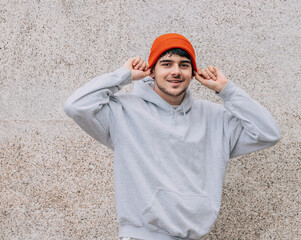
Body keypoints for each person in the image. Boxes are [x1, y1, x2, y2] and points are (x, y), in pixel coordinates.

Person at [64, 33, 280, 240]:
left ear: (193, 73)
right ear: (151, 71)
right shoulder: (123, 112)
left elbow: (268, 133)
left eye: (184, 65)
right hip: (142, 236)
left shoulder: (215, 119)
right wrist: (123, 76)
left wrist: (227, 90)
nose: (176, 71)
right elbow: (76, 106)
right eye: (166, 64)